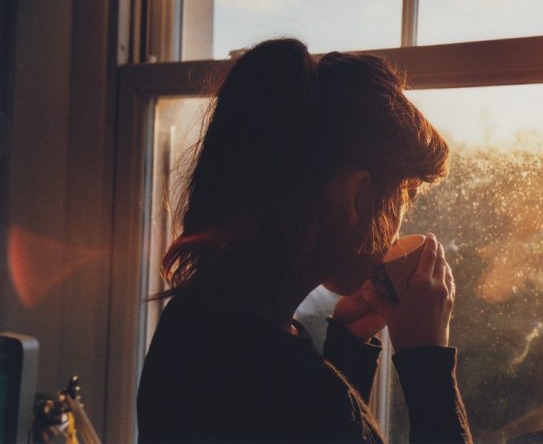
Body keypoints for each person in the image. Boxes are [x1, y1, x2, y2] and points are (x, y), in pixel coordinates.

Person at [137, 38, 473, 443]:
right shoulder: (298, 391)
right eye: (405, 197)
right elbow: (313, 413)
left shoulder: (193, 322)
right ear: (356, 198)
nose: (399, 225)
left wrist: (347, 347)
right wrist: (428, 364)